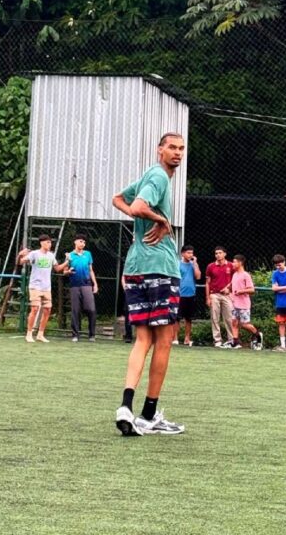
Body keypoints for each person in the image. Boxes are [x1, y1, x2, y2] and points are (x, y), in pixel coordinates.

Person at [111, 132, 187, 436]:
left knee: (143, 339)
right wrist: (161, 221)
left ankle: (125, 406)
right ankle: (148, 415)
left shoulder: (147, 175)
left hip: (135, 268)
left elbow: (120, 200)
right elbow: (139, 206)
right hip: (160, 268)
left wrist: (141, 216)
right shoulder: (158, 177)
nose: (178, 153)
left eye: (181, 148)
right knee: (165, 340)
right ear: (160, 150)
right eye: (172, 147)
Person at [17, 234, 67, 343]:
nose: (50, 244)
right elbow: (20, 262)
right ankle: (29, 334)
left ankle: (40, 334)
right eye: (47, 242)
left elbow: (57, 268)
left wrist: (67, 261)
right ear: (41, 243)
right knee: (35, 308)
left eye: (50, 242)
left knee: (47, 310)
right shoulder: (34, 254)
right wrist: (20, 255)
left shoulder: (51, 255)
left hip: (46, 288)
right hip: (35, 286)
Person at [65, 233, 98, 342]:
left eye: (84, 242)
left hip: (87, 285)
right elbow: (65, 271)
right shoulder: (69, 255)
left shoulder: (88, 254)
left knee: (91, 309)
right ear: (75, 242)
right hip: (74, 285)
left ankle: (92, 335)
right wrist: (68, 271)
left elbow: (90, 270)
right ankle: (75, 335)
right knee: (75, 310)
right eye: (80, 241)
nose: (82, 244)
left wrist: (95, 284)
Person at [229, 254, 263, 350]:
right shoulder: (235, 274)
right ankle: (235, 342)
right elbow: (232, 286)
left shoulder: (246, 275)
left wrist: (241, 291)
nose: (233, 264)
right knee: (234, 323)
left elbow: (252, 290)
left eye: (235, 262)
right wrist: (229, 291)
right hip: (234, 304)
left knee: (244, 324)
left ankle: (257, 334)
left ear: (240, 263)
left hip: (243, 304)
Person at [204, 246, 236, 348]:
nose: (218, 255)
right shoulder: (211, 266)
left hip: (227, 295)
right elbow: (207, 283)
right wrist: (208, 297)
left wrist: (229, 289)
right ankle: (217, 340)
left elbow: (235, 280)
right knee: (215, 317)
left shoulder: (231, 265)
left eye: (220, 253)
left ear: (225, 254)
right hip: (214, 294)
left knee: (229, 318)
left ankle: (231, 340)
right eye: (216, 253)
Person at [174, 245, 201, 346]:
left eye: (191, 253)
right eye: (188, 253)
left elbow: (198, 276)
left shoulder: (193, 264)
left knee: (188, 318)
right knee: (177, 318)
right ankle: (175, 338)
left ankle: (187, 338)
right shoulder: (177, 264)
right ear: (182, 254)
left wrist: (195, 264)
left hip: (191, 294)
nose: (190, 255)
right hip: (179, 294)